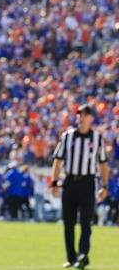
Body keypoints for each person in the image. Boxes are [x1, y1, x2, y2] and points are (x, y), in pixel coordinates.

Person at [50, 104, 109, 269]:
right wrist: (54, 182)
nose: (81, 118)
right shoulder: (68, 136)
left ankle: (83, 255)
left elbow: (103, 164)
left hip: (88, 183)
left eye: (85, 115)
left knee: (86, 222)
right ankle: (71, 257)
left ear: (91, 118)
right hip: (70, 182)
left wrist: (105, 186)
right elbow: (58, 160)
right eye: (79, 115)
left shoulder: (97, 138)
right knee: (68, 222)